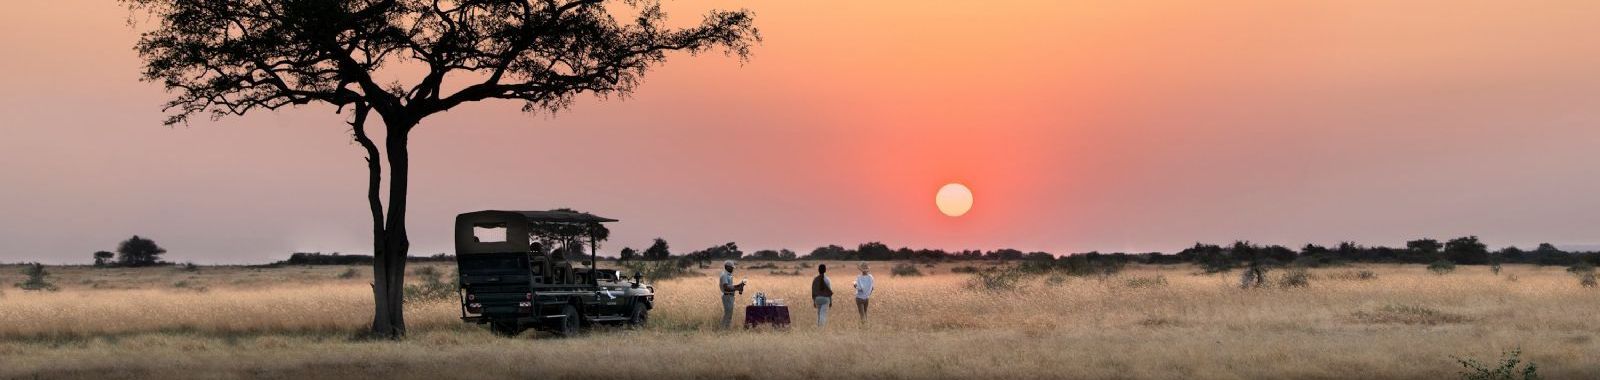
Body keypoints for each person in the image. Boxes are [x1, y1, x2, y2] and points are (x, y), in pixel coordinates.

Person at [719, 260, 746, 329]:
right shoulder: (724, 275)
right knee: (728, 314)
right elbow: (726, 287)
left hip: (730, 296)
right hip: (727, 296)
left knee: (729, 314)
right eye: (731, 267)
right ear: (727, 267)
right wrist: (737, 288)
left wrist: (739, 285)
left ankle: (725, 329)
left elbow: (730, 286)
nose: (733, 269)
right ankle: (723, 329)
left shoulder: (728, 275)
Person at [811, 264, 832, 328]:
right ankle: (821, 328)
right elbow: (829, 291)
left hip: (817, 298)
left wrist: (814, 301)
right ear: (825, 270)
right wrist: (831, 301)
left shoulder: (815, 279)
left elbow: (813, 290)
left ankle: (818, 327)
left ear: (818, 270)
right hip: (825, 299)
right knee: (823, 314)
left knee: (818, 313)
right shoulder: (827, 279)